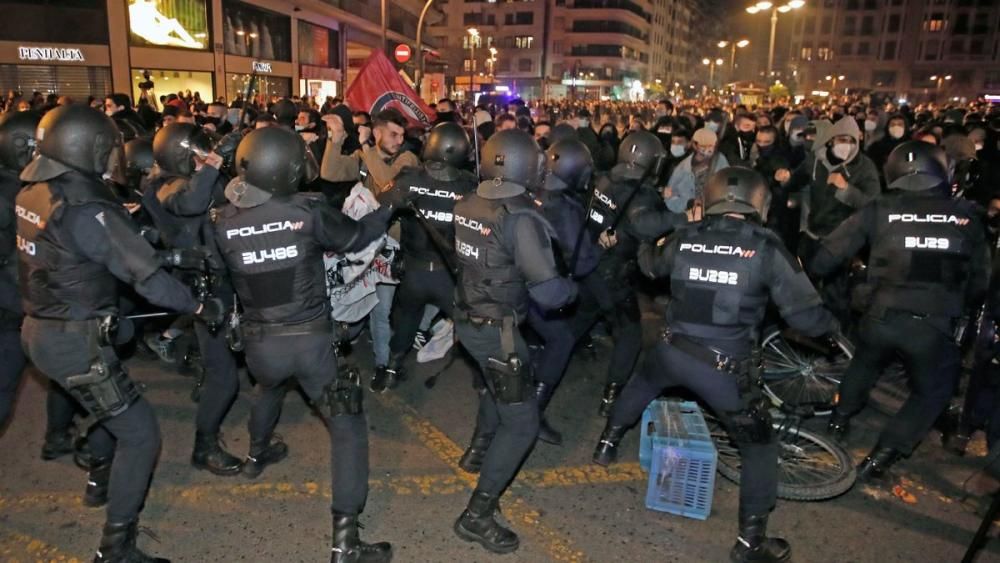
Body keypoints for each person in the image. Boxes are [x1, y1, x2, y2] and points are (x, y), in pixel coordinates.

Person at [593, 166, 838, 563]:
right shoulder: (767, 247)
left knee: (640, 385)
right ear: (759, 202)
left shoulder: (688, 235)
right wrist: (830, 329)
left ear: (710, 199)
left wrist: (647, 242)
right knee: (759, 448)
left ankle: (606, 443)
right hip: (723, 370)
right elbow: (806, 318)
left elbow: (651, 266)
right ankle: (750, 543)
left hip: (671, 352)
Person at [16, 104, 220, 562]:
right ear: (90, 148)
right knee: (141, 433)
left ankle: (98, 481)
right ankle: (116, 549)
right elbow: (144, 279)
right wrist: (200, 305)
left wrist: (165, 257)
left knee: (113, 403)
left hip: (42, 330)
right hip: (74, 340)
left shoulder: (35, 192)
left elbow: (80, 254)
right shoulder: (85, 207)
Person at [213, 126, 393, 562]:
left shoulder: (221, 219)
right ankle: (345, 542)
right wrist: (388, 209)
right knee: (347, 427)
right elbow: (356, 238)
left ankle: (257, 455)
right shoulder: (307, 211)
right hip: (309, 342)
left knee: (268, 389)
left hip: (259, 345)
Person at [812, 141, 990, 482]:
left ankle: (839, 420)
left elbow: (826, 256)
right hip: (933, 327)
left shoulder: (880, 209)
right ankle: (882, 456)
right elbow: (980, 281)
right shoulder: (965, 216)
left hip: (880, 315)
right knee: (932, 392)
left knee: (865, 361)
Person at [451, 129, 577, 554]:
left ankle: (477, 450)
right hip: (497, 330)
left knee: (495, 386)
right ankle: (477, 515)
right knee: (522, 423)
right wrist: (570, 288)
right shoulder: (521, 217)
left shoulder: (469, 201)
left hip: (469, 320)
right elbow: (549, 293)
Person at [141, 122, 244, 476]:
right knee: (225, 376)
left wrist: (226, 162)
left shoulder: (181, 179)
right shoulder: (164, 187)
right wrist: (214, 163)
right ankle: (205, 445)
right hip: (205, 288)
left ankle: (203, 371)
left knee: (231, 351)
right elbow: (192, 202)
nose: (204, 161)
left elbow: (227, 198)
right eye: (198, 156)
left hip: (222, 279)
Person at [573, 130, 686, 416]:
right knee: (630, 334)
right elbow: (645, 225)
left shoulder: (604, 178)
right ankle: (612, 395)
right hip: (614, 274)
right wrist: (685, 219)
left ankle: (540, 374)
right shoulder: (641, 193)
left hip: (588, 263)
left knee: (581, 318)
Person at [374, 122, 477, 391]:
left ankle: (392, 368)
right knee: (472, 327)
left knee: (406, 322)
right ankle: (484, 381)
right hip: (449, 276)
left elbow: (377, 210)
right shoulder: (470, 186)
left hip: (414, 273)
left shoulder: (409, 180)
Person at [526, 138, 600, 444]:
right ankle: (532, 414)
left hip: (510, 282)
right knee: (562, 340)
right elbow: (581, 262)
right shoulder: (564, 207)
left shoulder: (529, 187)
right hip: (540, 287)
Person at [775, 115, 880, 326]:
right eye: (842, 140)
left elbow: (873, 204)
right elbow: (795, 181)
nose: (846, 146)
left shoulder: (864, 167)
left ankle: (838, 341)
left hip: (843, 240)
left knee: (837, 295)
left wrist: (846, 190)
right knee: (805, 287)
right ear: (831, 140)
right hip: (813, 234)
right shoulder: (816, 160)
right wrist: (785, 180)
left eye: (851, 141)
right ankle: (808, 335)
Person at [321, 108, 420, 195]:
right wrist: (336, 139)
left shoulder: (408, 158)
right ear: (377, 133)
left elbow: (389, 184)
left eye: (402, 135)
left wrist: (365, 145)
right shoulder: (363, 157)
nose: (400, 141)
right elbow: (329, 173)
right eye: (393, 135)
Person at [663, 127, 729, 214]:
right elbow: (669, 197)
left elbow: (731, 187)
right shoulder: (682, 168)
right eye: (703, 146)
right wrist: (688, 204)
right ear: (695, 145)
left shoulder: (720, 161)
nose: (708, 149)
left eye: (711, 145)